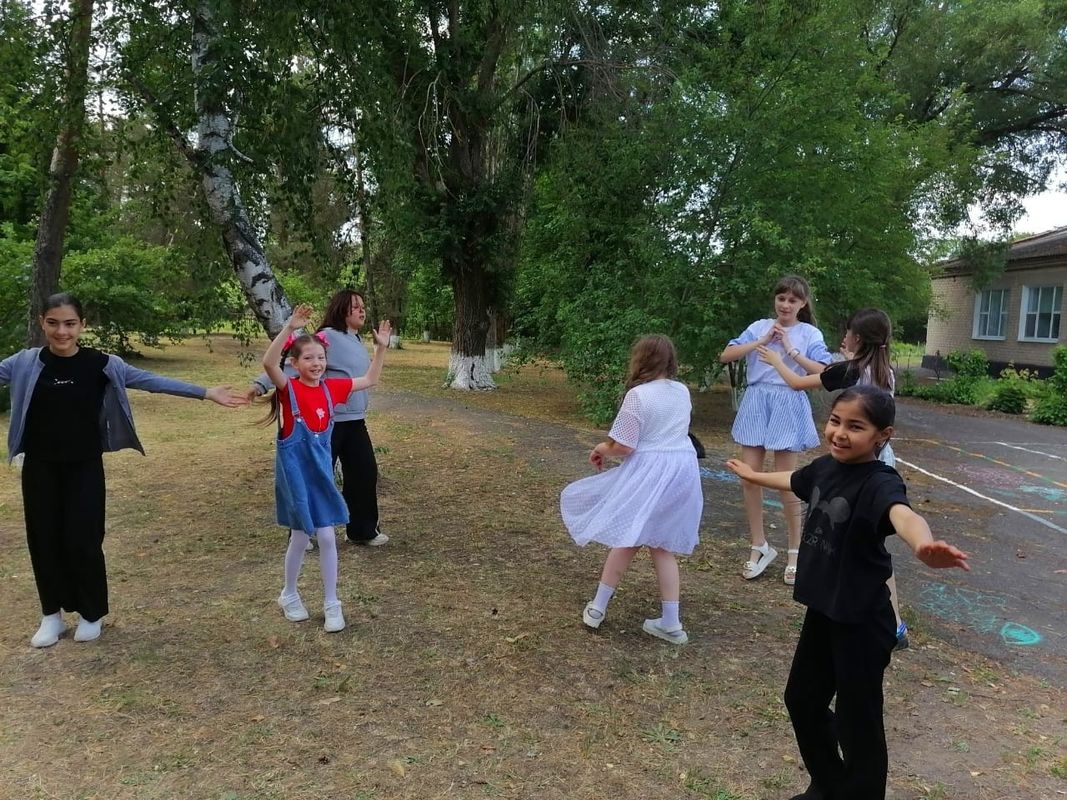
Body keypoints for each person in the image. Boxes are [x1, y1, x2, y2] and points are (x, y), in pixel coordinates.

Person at [726, 385, 970, 800]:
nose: (839, 433)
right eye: (835, 421)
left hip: (862, 620)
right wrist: (754, 475)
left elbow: (903, 514)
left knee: (858, 720)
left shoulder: (879, 482)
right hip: (825, 610)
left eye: (855, 427)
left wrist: (923, 544)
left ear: (882, 435)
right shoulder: (826, 467)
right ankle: (828, 786)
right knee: (802, 699)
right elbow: (796, 480)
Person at [0, 292, 247, 647]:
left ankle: (91, 614)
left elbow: (150, 381)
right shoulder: (24, 363)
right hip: (40, 467)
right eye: (53, 323)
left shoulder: (102, 364)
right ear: (42, 323)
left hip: (84, 466)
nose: (61, 332)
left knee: (84, 539)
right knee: (44, 540)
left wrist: (205, 392)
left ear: (82, 325)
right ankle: (51, 615)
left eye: (70, 324)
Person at [758, 308, 910, 649]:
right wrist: (794, 351)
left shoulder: (852, 370)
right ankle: (895, 624)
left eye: (848, 332)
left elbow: (799, 382)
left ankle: (872, 615)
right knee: (873, 546)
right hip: (881, 460)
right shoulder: (882, 369)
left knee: (850, 543)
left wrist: (777, 359)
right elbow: (827, 373)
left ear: (858, 338)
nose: (844, 337)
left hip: (859, 469)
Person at [560, 335, 703, 645]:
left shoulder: (638, 396)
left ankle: (598, 607)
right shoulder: (681, 391)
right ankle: (671, 622)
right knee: (661, 545)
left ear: (641, 359)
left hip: (651, 473)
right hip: (682, 471)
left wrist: (601, 448)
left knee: (627, 538)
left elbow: (624, 446)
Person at [262, 304, 390, 633]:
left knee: (326, 536)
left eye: (320, 357)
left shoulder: (331, 388)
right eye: (308, 358)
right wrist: (290, 328)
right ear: (295, 364)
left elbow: (371, 379)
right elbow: (268, 363)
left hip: (321, 476)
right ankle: (289, 593)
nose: (316, 363)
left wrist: (381, 349)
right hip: (296, 477)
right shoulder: (289, 388)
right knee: (300, 537)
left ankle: (332, 603)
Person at [250, 290, 389, 546]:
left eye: (363, 306)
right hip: (326, 424)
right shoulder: (328, 337)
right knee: (315, 477)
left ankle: (361, 530)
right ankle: (302, 532)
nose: (362, 310)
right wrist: (260, 385)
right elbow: (289, 363)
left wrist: (382, 348)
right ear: (341, 309)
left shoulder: (355, 339)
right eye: (355, 306)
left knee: (364, 473)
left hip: (355, 421)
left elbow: (369, 378)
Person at [719, 275, 832, 585]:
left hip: (788, 401)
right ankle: (759, 545)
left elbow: (824, 371)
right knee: (748, 476)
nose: (785, 305)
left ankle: (795, 551)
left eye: (792, 300)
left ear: (803, 304)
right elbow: (726, 355)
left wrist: (789, 350)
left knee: (788, 482)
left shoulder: (809, 333)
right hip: (757, 400)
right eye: (781, 298)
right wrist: (762, 341)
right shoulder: (759, 326)